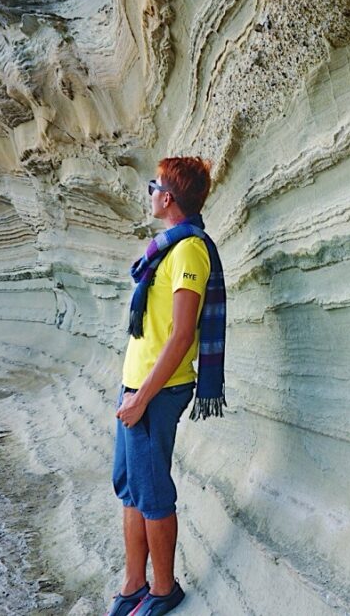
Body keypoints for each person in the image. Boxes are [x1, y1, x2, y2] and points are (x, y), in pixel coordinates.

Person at [108, 156, 227, 616]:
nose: (151, 193)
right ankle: (134, 582)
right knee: (130, 486)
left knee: (153, 492)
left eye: (154, 186)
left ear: (169, 198)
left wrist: (142, 398)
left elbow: (181, 336)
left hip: (156, 393)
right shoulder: (167, 247)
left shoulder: (189, 251)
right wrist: (132, 392)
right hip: (136, 388)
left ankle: (163, 589)